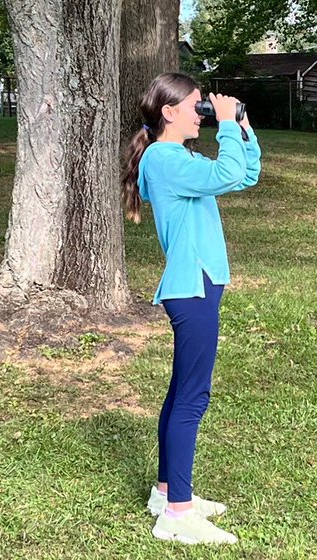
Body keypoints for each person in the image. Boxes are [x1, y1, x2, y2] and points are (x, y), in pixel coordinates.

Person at [120, 73, 261, 547]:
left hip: (201, 284)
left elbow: (244, 175)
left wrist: (241, 126)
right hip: (192, 287)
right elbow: (224, 174)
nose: (203, 113)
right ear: (169, 112)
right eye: (197, 106)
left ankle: (167, 493)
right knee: (192, 399)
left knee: (182, 392)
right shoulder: (163, 159)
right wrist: (224, 125)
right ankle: (178, 515)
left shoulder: (178, 158)